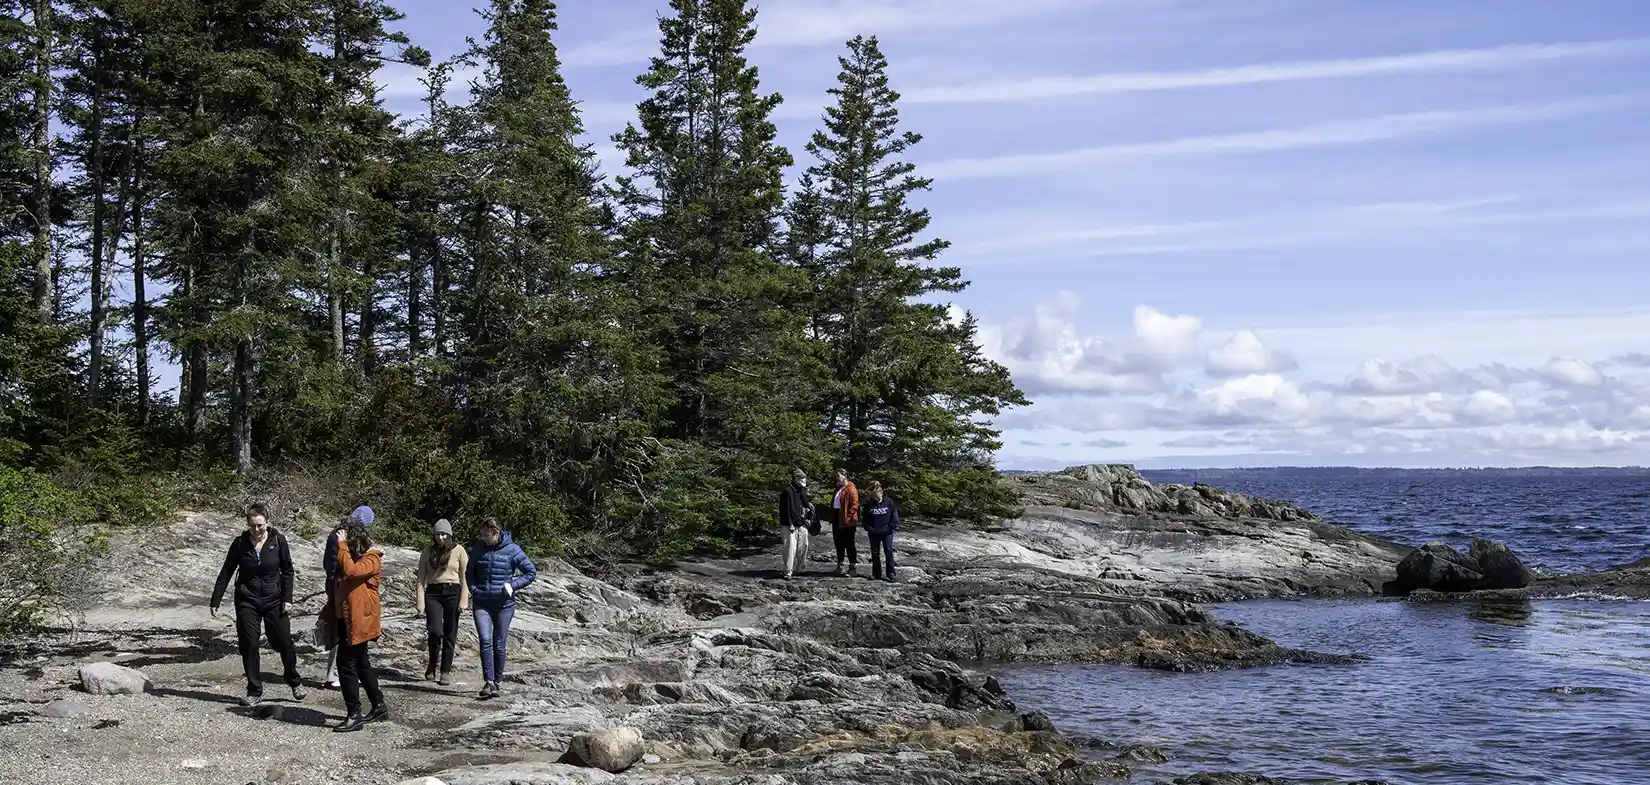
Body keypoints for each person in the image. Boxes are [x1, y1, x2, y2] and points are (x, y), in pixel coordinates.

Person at [210, 503, 304, 707]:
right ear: (248, 524)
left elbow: (288, 571)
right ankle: (254, 690)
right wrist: (215, 600)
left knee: (284, 642)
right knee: (249, 644)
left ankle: (293, 679)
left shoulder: (278, 541)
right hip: (247, 600)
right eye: (253, 526)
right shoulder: (240, 543)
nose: (257, 529)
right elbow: (226, 571)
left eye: (260, 525)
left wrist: (287, 598)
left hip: (274, 599)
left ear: (267, 523)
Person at [466, 517, 536, 700]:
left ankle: (497, 682)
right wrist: (474, 589)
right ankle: (488, 681)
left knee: (499, 644)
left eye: (486, 535)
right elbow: (469, 573)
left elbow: (530, 572)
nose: (483, 538)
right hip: (482, 602)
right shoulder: (479, 548)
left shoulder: (513, 550)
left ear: (496, 533)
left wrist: (513, 585)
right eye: (481, 535)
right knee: (485, 640)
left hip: (504, 605)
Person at [332, 523, 387, 732]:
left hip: (360, 621)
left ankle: (354, 714)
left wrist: (342, 545)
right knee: (362, 663)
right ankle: (379, 705)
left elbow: (352, 572)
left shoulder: (371, 559)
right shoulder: (353, 557)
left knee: (346, 664)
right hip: (348, 619)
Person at [321, 505, 374, 688]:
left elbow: (328, 564)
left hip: (337, 584)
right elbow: (339, 566)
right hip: (340, 586)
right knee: (342, 629)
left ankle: (342, 672)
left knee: (344, 628)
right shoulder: (342, 538)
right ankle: (332, 674)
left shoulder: (336, 534)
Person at [416, 519, 469, 685]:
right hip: (433, 593)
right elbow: (420, 579)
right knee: (434, 631)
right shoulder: (428, 551)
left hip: (453, 591)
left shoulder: (459, 551)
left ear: (450, 535)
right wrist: (420, 603)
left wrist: (464, 600)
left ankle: (445, 670)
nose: (441, 537)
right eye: (438, 534)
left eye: (444, 534)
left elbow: (464, 578)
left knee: (450, 632)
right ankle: (432, 663)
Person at [778, 468, 817, 580]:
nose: (803, 480)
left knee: (803, 545)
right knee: (790, 548)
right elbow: (785, 509)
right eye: (801, 478)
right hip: (789, 524)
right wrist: (790, 523)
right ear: (796, 478)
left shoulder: (801, 490)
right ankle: (788, 571)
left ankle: (800, 568)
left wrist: (809, 504)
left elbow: (805, 501)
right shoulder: (787, 491)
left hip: (801, 522)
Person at [862, 480, 901, 582]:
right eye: (873, 495)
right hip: (874, 532)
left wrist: (890, 527)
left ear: (881, 493)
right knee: (875, 553)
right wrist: (869, 528)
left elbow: (895, 517)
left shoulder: (889, 502)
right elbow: (865, 519)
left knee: (888, 551)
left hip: (887, 532)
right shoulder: (868, 504)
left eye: (877, 495)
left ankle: (891, 574)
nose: (876, 497)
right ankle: (876, 574)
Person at [830, 468, 860, 576]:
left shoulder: (851, 489)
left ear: (844, 475)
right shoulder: (838, 488)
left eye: (838, 476)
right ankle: (840, 565)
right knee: (839, 543)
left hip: (847, 520)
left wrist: (848, 518)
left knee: (849, 544)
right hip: (837, 518)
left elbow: (854, 505)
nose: (837, 478)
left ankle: (852, 568)